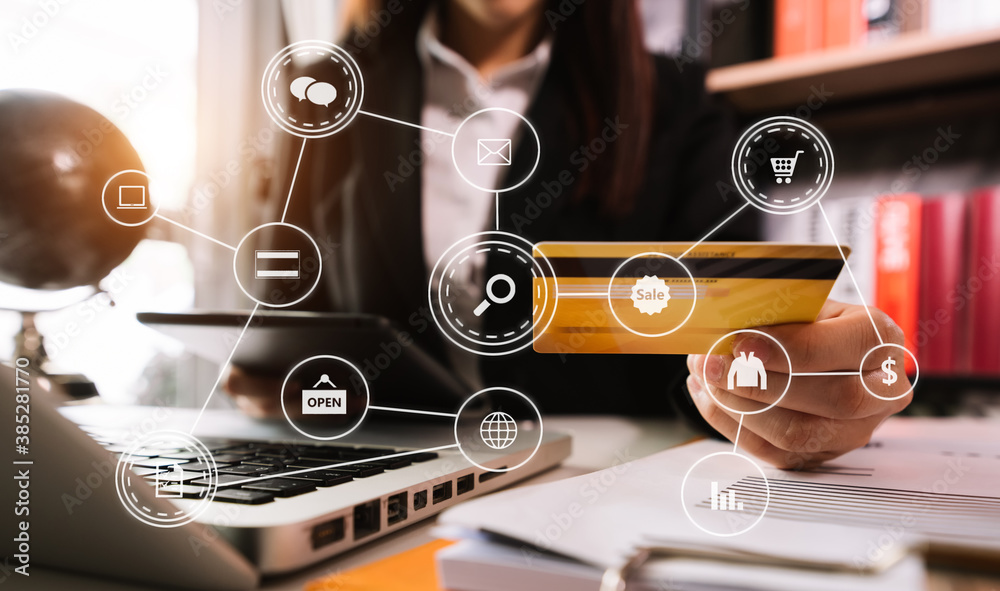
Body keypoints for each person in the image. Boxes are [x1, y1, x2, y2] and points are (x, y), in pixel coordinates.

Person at [225, 0, 911, 469]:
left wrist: (772, 388)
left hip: (587, 494)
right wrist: (274, 377)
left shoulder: (677, 108)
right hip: (373, 475)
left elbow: (717, 346)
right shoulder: (324, 95)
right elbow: (283, 307)